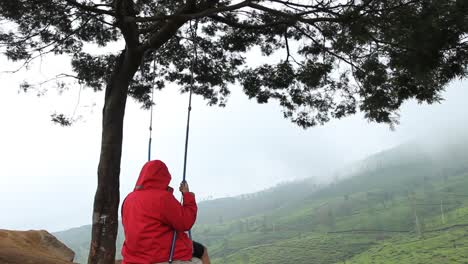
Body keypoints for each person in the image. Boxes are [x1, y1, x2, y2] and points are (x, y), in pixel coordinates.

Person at [121, 160, 210, 264]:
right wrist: (187, 195)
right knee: (203, 251)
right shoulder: (163, 197)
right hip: (161, 252)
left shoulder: (128, 199)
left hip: (134, 256)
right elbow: (186, 222)